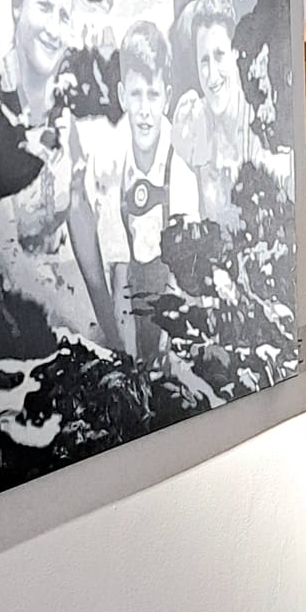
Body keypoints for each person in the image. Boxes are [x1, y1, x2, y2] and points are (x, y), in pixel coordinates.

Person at [0, 0, 122, 356]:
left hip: (55, 323)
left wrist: (112, 330)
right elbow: (10, 268)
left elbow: (79, 214)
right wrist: (93, 340)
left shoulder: (63, 109)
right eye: (44, 7)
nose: (54, 27)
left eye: (64, 15)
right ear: (17, 5)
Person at [82, 20, 200, 363]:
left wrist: (167, 354)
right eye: (136, 95)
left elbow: (184, 280)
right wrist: (129, 358)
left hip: (175, 303)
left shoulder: (179, 168)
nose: (145, 109)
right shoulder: (112, 161)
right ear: (122, 96)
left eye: (153, 94)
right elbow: (119, 273)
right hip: (130, 304)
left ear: (167, 94)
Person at [172, 0, 291, 231]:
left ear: (236, 53)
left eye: (219, 55)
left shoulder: (263, 116)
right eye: (203, 60)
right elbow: (184, 219)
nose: (212, 74)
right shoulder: (194, 121)